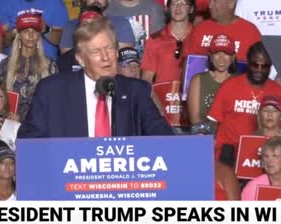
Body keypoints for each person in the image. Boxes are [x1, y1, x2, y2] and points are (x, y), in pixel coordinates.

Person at [17, 17, 173, 138]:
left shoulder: (136, 91)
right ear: (80, 59)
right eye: (96, 52)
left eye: (109, 49)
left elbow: (163, 138)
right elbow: (29, 140)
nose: (105, 57)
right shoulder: (52, 91)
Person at [208, 42, 281, 200]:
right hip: (229, 154)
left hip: (265, 158)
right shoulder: (230, 85)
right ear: (247, 61)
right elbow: (212, 122)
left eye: (264, 66)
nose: (259, 70)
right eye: (255, 64)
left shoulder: (278, 92)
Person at [0, 13, 58, 122]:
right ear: (19, 35)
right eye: (26, 32)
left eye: (34, 31)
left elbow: (55, 100)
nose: (31, 36)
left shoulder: (50, 65)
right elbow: (0, 98)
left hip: (40, 125)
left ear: (39, 35)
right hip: (11, 124)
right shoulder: (5, 64)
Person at [182, 0, 261, 62]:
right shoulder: (200, 29)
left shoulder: (250, 32)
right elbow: (188, 62)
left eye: (214, 1)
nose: (210, 6)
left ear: (231, 3)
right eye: (210, 1)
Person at [141, 0, 196, 84]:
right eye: (174, 3)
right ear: (168, 8)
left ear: (191, 9)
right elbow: (146, 80)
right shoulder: (155, 40)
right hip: (161, 95)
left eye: (183, 3)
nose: (178, 8)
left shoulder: (200, 37)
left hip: (191, 95)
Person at [0, 0, 69, 60]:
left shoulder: (55, 3)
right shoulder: (3, 3)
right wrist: (17, 31)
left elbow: (64, 41)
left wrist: (46, 29)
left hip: (47, 62)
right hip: (13, 63)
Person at [187, 33, 237, 124]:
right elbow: (194, 119)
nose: (221, 58)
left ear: (233, 57)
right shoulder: (197, 80)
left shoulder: (240, 82)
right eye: (217, 53)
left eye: (226, 53)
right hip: (203, 135)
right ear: (210, 56)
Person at [59, 0, 135, 53]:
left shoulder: (121, 24)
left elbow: (125, 59)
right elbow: (67, 61)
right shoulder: (70, 26)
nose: (96, 0)